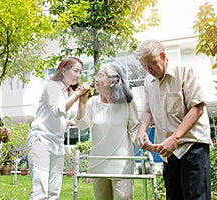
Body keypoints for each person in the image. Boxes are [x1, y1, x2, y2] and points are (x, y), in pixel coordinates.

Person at [134, 39, 212, 200]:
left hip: (192, 146)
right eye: (144, 66)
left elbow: (197, 108)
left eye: (152, 64)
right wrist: (142, 130)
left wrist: (175, 138)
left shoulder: (185, 72)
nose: (149, 70)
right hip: (168, 151)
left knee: (196, 197)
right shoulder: (148, 81)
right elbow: (148, 109)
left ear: (163, 56)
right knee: (173, 196)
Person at [27, 57, 90, 200]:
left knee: (54, 192)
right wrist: (77, 94)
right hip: (40, 140)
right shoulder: (52, 86)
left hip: (57, 144)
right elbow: (58, 110)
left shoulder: (67, 93)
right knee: (40, 191)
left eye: (80, 72)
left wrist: (81, 101)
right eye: (75, 71)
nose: (78, 75)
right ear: (63, 71)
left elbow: (71, 117)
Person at [75, 62, 139, 200]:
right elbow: (81, 125)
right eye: (96, 74)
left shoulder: (128, 102)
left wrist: (144, 144)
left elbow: (134, 130)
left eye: (101, 75)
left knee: (124, 197)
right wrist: (81, 102)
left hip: (122, 164)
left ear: (113, 81)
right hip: (99, 163)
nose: (96, 78)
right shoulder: (92, 102)